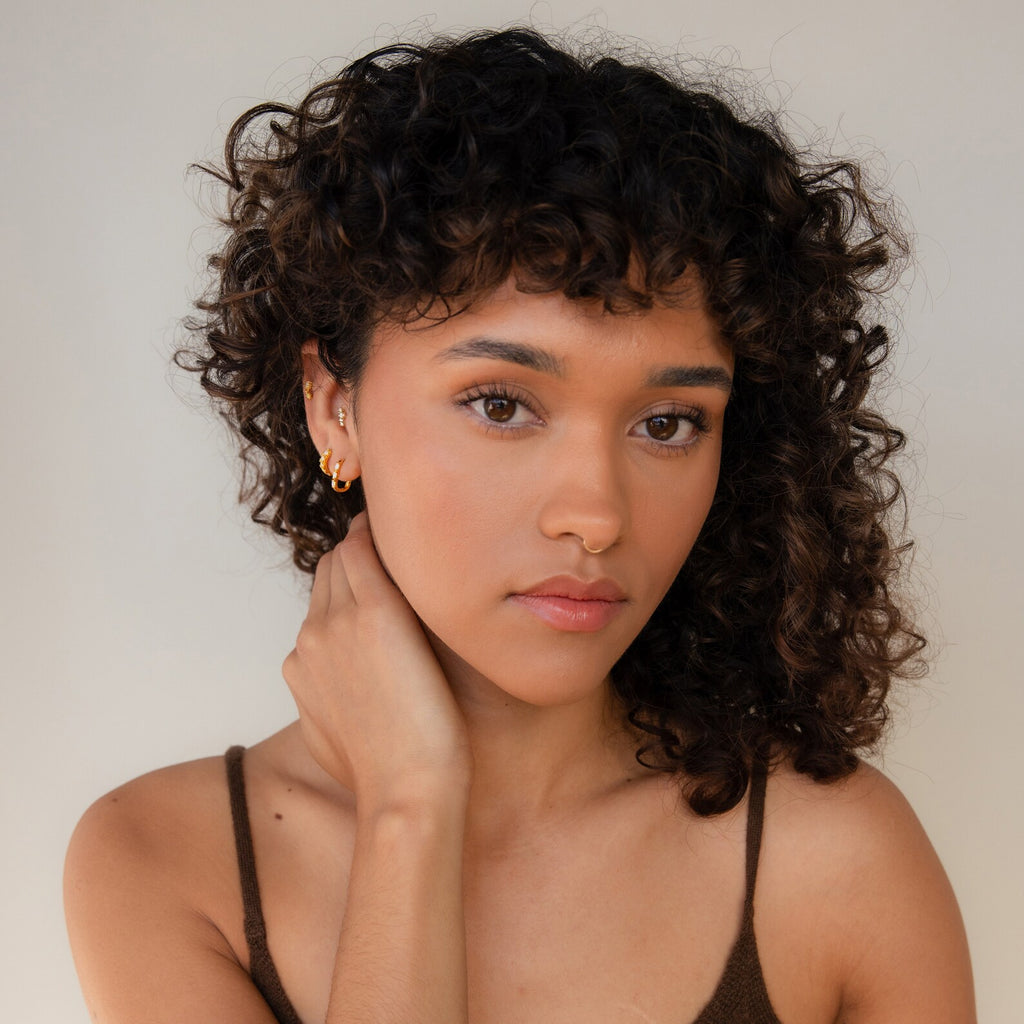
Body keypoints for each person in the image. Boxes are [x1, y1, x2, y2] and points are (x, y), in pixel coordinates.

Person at [63, 27, 975, 1024]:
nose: (594, 513)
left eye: (667, 423)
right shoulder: (165, 861)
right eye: (501, 403)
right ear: (334, 405)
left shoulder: (836, 862)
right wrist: (411, 804)